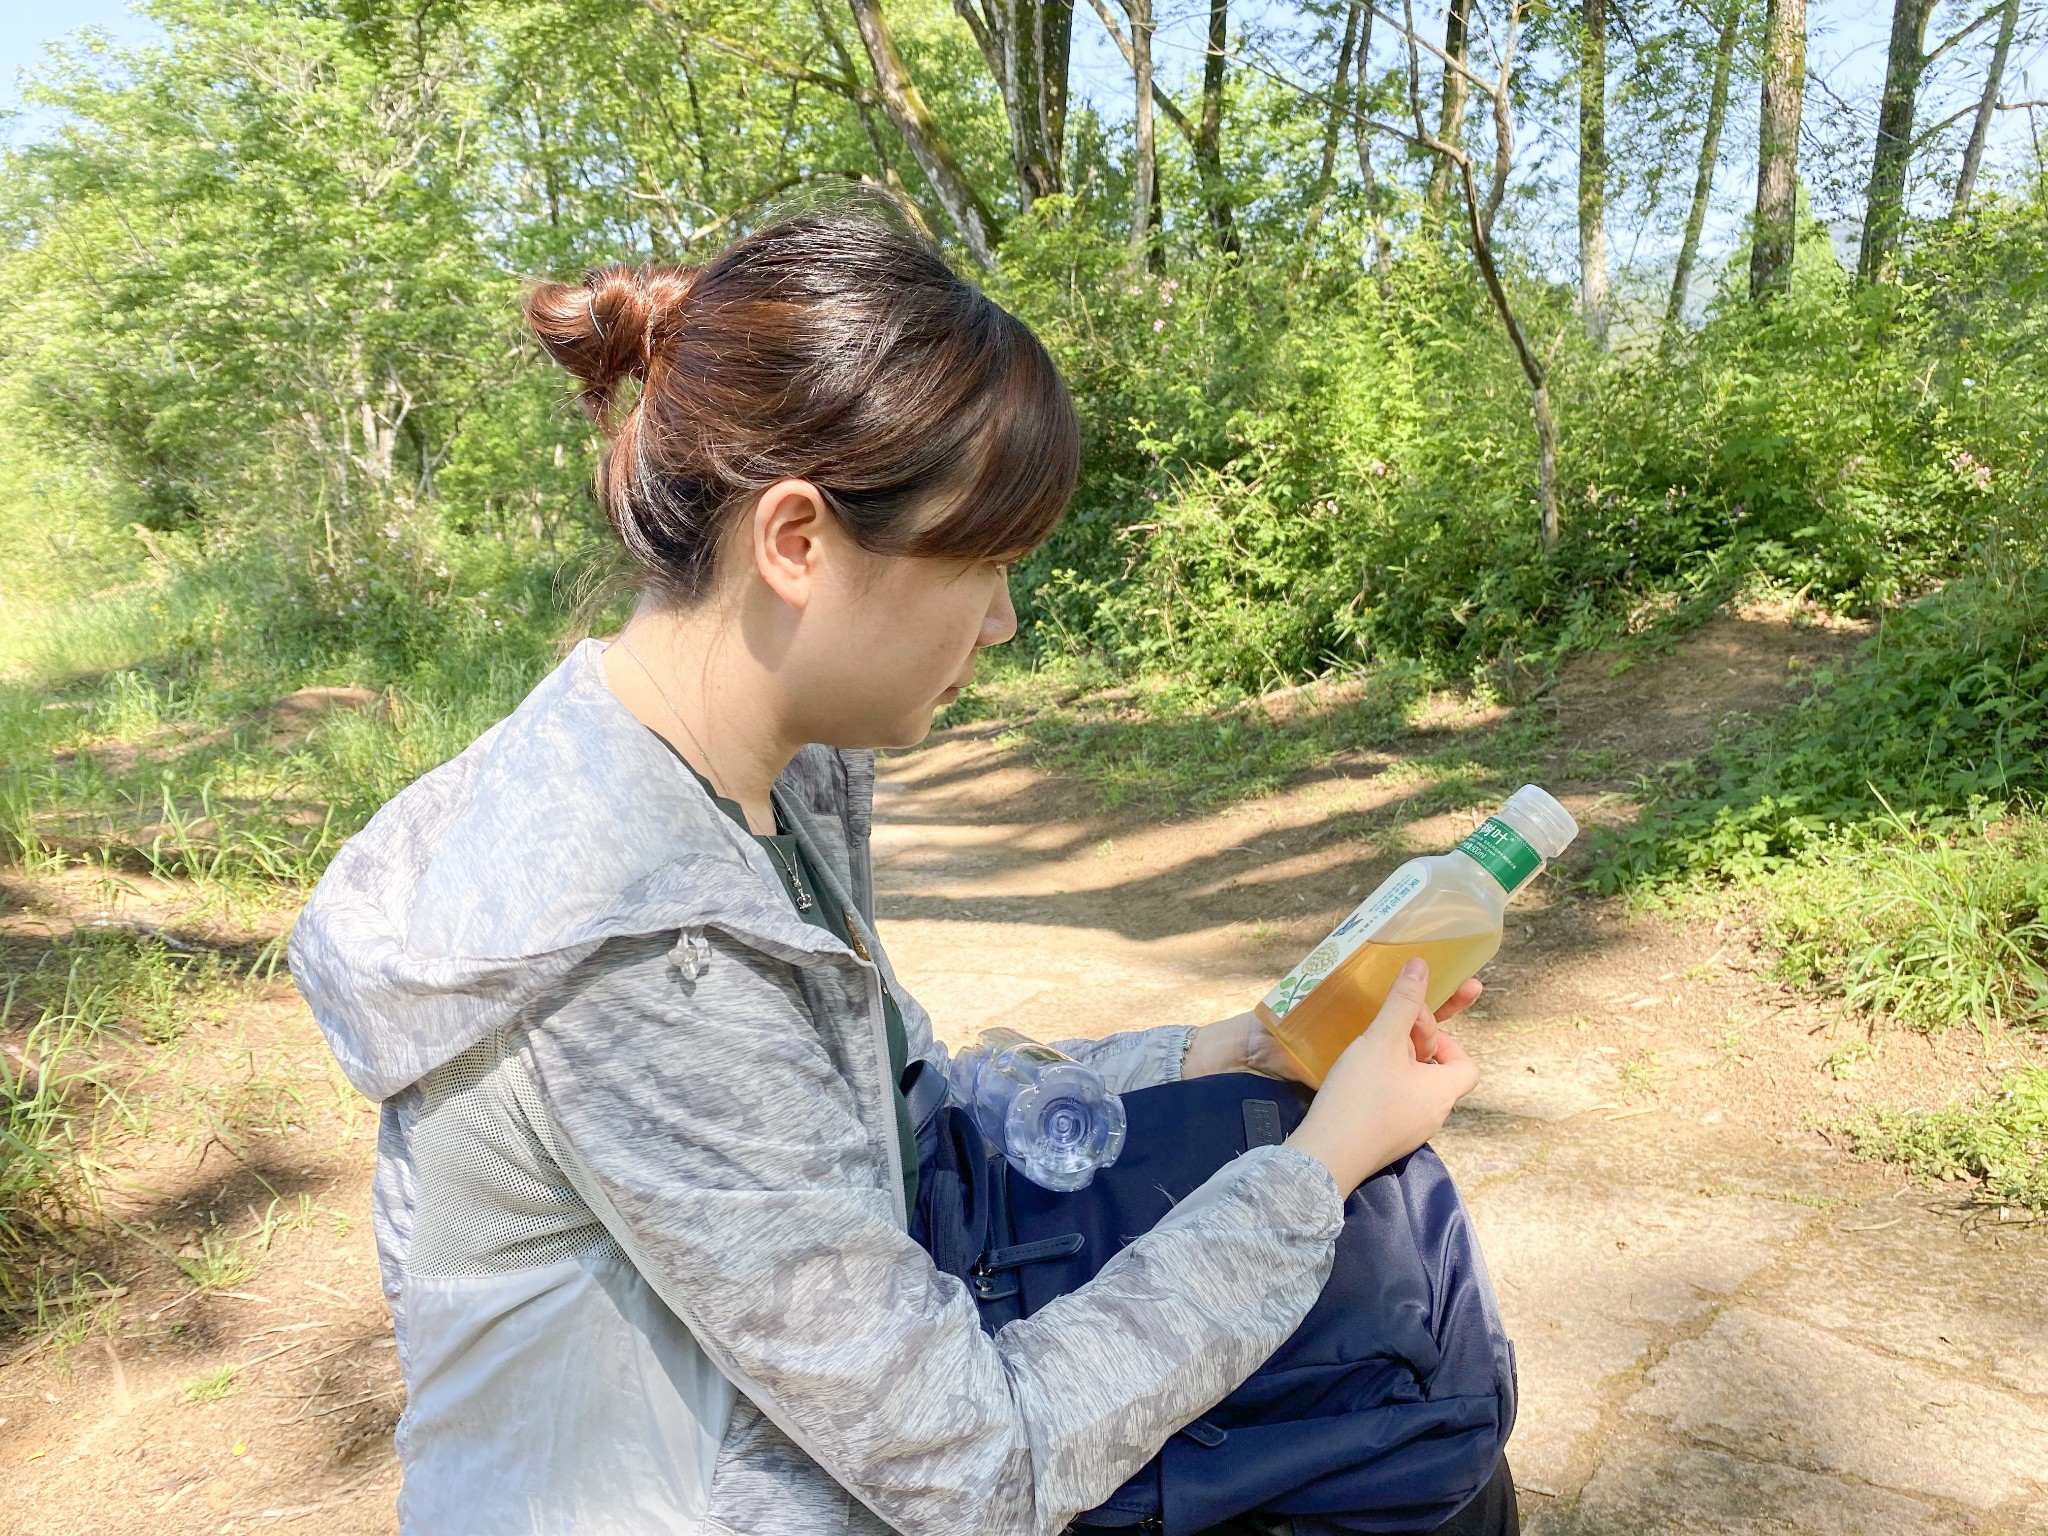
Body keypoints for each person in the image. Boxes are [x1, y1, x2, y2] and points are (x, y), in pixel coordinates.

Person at [288, 205, 1506, 1536]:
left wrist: (1237, 1049)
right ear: (796, 542)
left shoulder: (754, 780)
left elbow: (898, 1110)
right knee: (1415, 1447)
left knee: (1410, 1401)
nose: (1005, 621)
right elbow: (977, 1469)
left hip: (818, 1441)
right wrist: (1319, 1169)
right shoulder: (630, 942)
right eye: (983, 563)